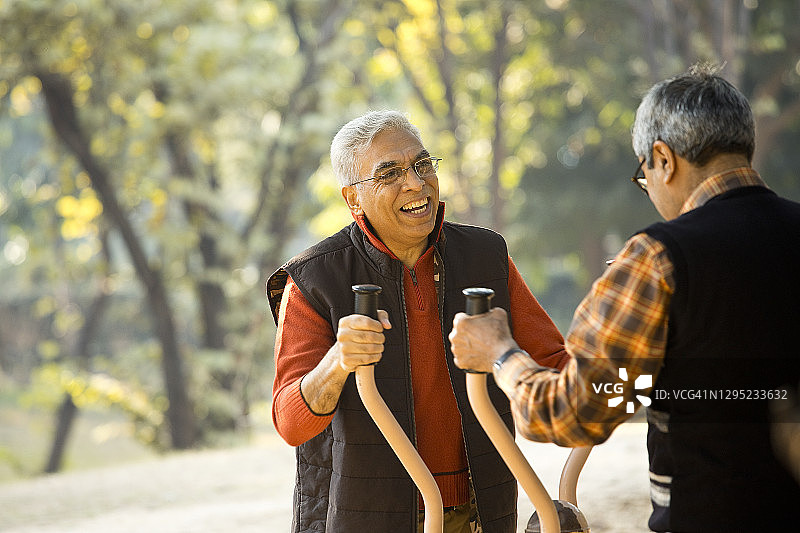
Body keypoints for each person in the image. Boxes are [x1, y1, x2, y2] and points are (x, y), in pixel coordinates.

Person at [449, 64, 800, 532]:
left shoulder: (660, 258)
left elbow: (573, 414)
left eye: (645, 175)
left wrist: (500, 353)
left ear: (664, 159)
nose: (649, 188)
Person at [267, 110, 570, 533]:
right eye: (389, 173)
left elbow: (558, 367)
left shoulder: (486, 256)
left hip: (481, 510)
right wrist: (338, 362)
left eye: (422, 165)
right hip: (365, 517)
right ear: (353, 198)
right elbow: (290, 422)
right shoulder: (315, 278)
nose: (415, 183)